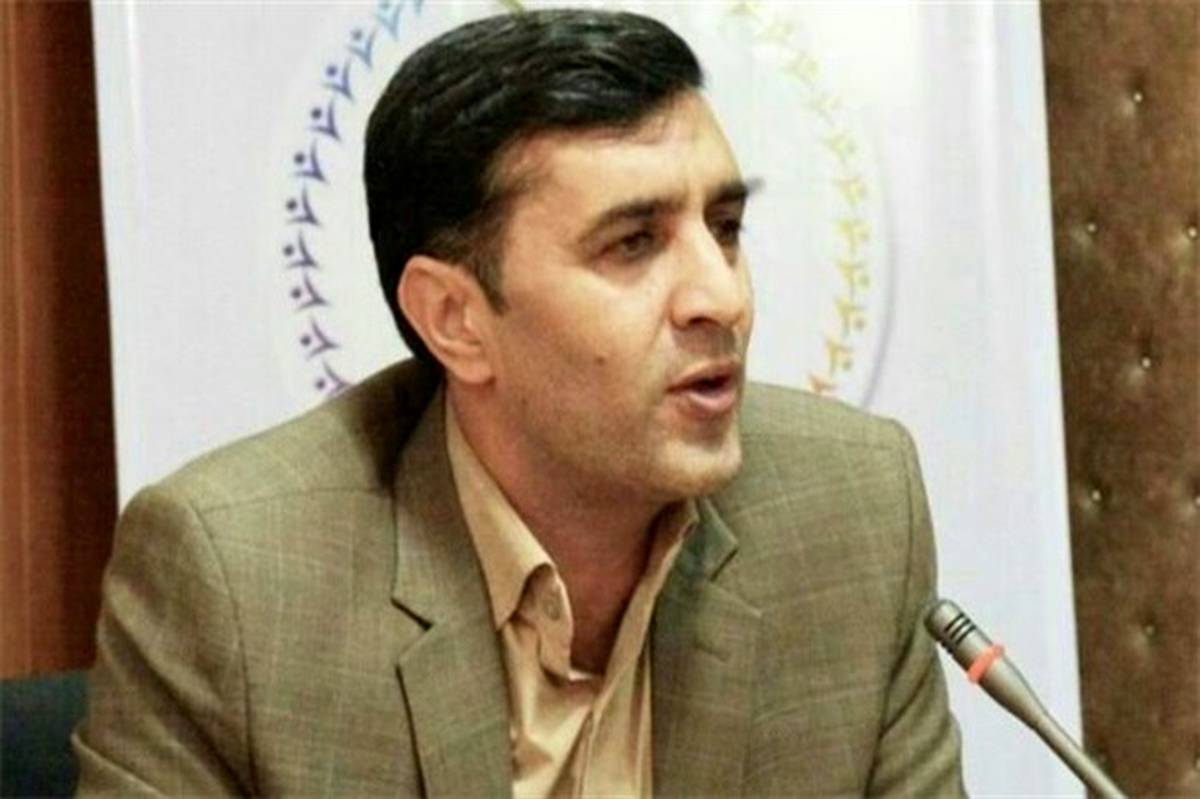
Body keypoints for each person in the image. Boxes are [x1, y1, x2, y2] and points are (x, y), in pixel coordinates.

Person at [74, 9, 965, 797]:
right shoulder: (238, 580)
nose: (722, 297)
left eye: (724, 228)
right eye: (633, 244)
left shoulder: (853, 510)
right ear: (455, 320)